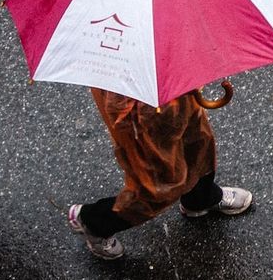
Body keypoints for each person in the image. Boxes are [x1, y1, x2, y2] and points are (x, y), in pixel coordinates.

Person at [67, 88, 252, 259]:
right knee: (157, 186)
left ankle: (200, 198)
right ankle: (93, 221)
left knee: (197, 143)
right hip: (139, 109)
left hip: (176, 87)